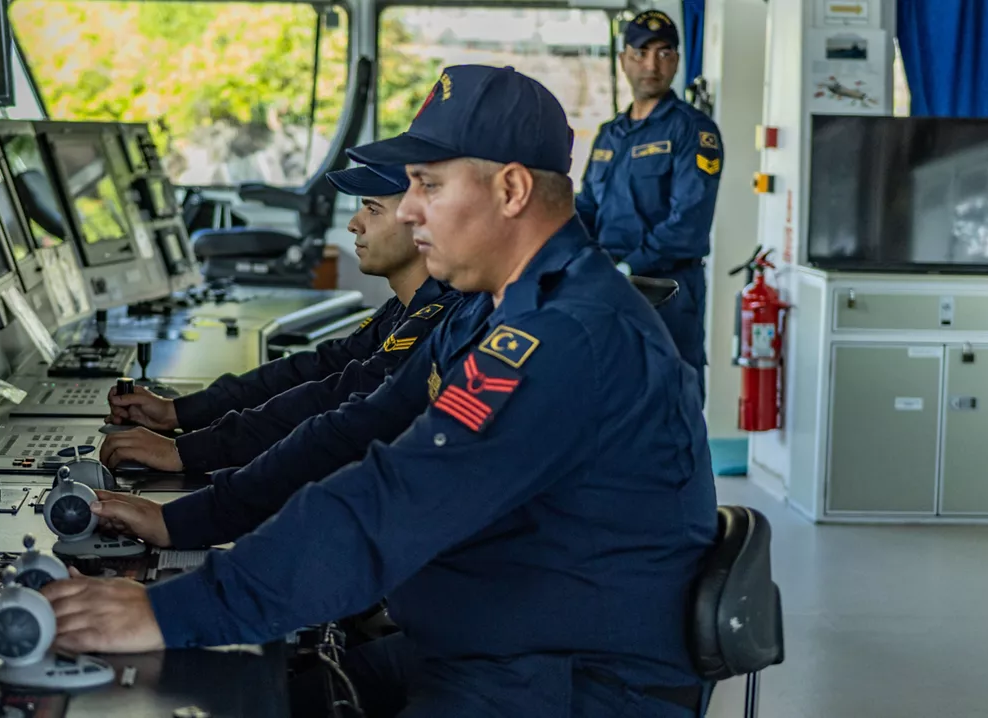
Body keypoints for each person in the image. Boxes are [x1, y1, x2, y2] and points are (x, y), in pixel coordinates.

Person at [43, 65, 716, 717]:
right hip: (482, 650)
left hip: (569, 684)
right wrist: (187, 521)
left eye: (427, 183)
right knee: (246, 688)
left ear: (511, 191)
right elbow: (367, 424)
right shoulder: (500, 309)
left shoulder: (568, 335)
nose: (410, 209)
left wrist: (173, 611)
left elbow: (396, 499)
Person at [101, 163, 461, 473]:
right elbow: (321, 366)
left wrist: (187, 451)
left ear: (420, 221)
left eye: (372, 209)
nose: (353, 224)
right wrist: (179, 413)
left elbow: (333, 397)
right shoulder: (405, 306)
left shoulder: (438, 317)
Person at [576, 9, 723, 402]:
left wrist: (626, 266)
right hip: (607, 286)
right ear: (624, 59)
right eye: (641, 53)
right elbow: (587, 207)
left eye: (664, 53)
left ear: (676, 60)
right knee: (608, 398)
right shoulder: (610, 134)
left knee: (670, 401)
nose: (651, 64)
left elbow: (688, 223)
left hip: (666, 289)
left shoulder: (692, 130)